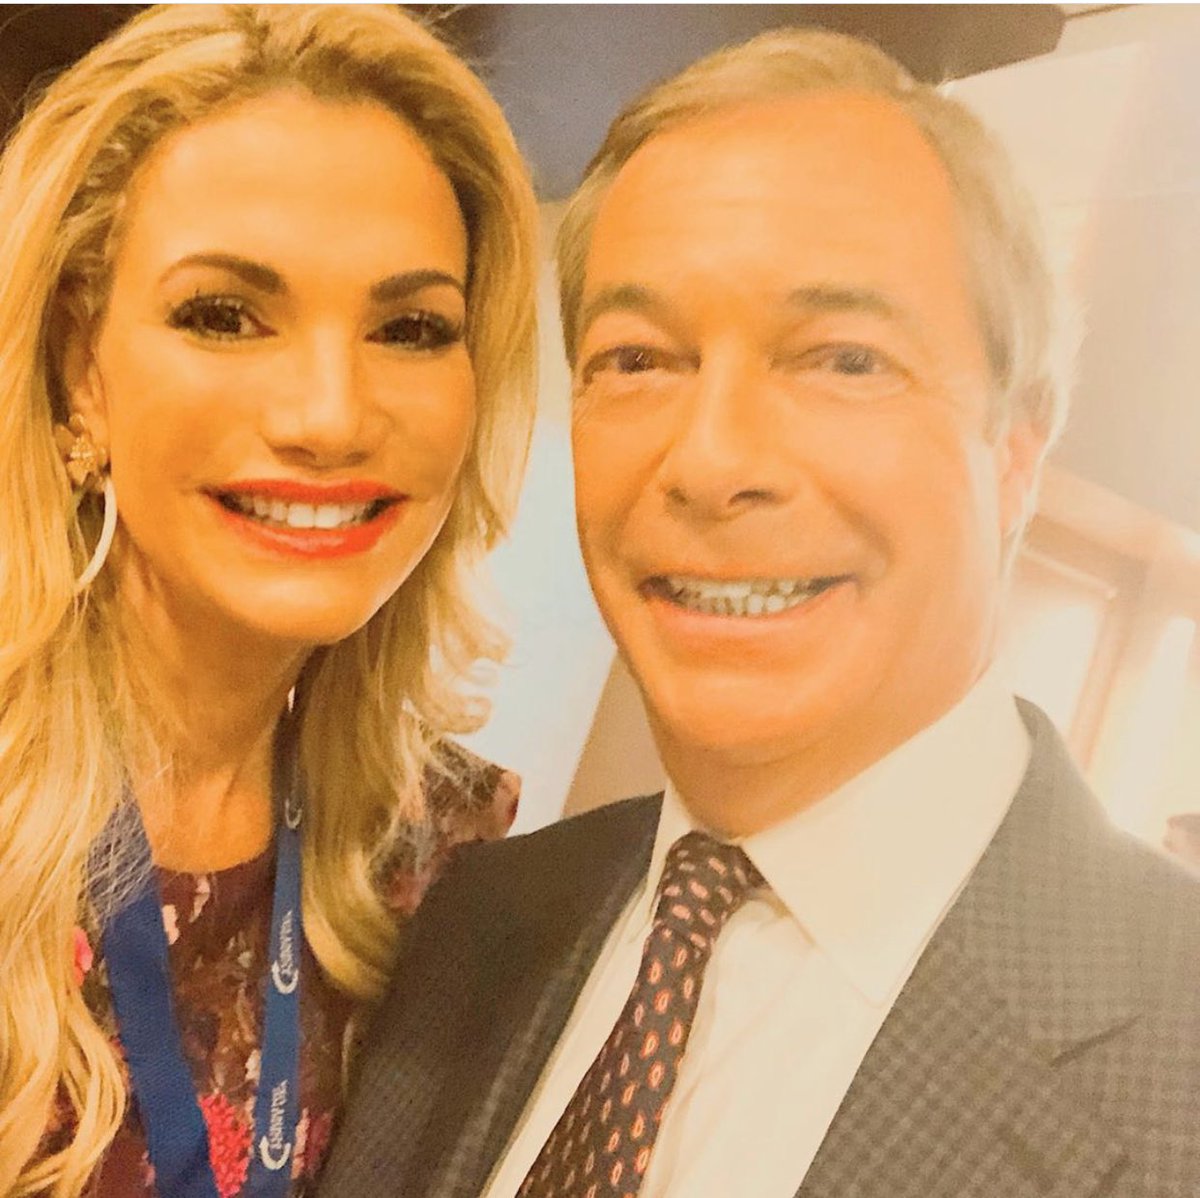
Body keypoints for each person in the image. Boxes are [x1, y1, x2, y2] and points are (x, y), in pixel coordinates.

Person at [321, 27, 1200, 1198]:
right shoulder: (477, 922)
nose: (712, 461)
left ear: (1016, 454)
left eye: (843, 359)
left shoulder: (1173, 1054)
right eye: (638, 359)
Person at [0, 5, 537, 1196]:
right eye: (223, 315)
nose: (329, 416)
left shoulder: (437, 860)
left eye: (410, 327)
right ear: (80, 366)